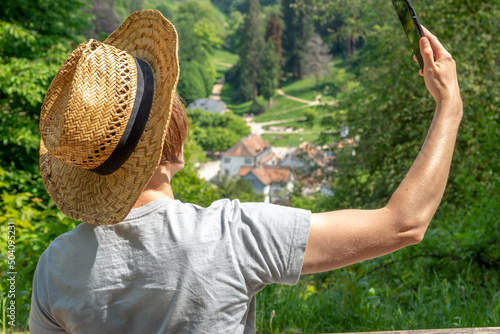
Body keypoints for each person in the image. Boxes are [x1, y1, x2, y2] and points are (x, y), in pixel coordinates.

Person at [29, 9, 462, 334]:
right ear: (172, 140)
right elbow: (404, 224)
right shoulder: (231, 235)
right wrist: (449, 105)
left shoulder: (54, 270)